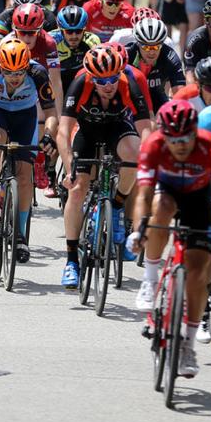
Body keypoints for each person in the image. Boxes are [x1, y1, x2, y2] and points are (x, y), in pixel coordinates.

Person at [129, 100, 211, 378]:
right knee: (160, 208)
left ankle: (187, 343)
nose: (180, 145)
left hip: (199, 198)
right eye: (174, 139)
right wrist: (138, 231)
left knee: (198, 274)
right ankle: (149, 280)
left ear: (196, 132)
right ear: (164, 135)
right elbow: (143, 196)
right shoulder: (153, 146)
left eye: (186, 138)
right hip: (167, 191)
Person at [59, 44, 153, 288]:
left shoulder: (128, 83)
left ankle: (119, 206)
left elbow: (146, 130)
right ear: (91, 77)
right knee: (78, 188)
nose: (108, 85)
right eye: (102, 81)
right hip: (86, 130)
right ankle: (71, 261)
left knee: (134, 155)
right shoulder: (80, 83)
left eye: (113, 78)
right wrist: (70, 169)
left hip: (116, 127)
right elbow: (63, 131)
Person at [0, 39, 60, 265]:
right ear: (0, 67)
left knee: (24, 175)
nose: (15, 77)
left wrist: (48, 135)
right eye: (9, 73)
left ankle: (20, 235)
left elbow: (50, 112)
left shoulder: (37, 73)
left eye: (20, 72)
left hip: (24, 116)